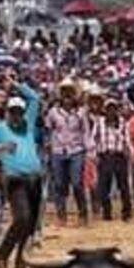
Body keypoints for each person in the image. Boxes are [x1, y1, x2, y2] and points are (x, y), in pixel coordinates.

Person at [0, 78, 43, 268]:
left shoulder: (28, 125)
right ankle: (2, 254)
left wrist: (16, 84)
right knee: (22, 218)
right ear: (7, 112)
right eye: (13, 111)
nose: (17, 115)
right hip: (15, 179)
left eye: (19, 112)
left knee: (30, 223)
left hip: (34, 178)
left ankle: (21, 260)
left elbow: (34, 98)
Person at [45, 78, 89, 226]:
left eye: (70, 93)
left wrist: (89, 151)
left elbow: (85, 132)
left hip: (76, 150)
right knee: (59, 184)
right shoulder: (53, 112)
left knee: (77, 183)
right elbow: (49, 130)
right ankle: (61, 215)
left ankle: (83, 213)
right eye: (64, 93)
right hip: (58, 151)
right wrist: (48, 147)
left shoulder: (81, 113)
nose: (67, 97)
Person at [89, 95, 132, 222]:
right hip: (105, 156)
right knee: (104, 186)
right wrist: (94, 154)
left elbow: (127, 139)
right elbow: (93, 139)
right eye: (109, 108)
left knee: (123, 186)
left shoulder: (122, 123)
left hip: (119, 156)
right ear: (105, 110)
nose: (111, 111)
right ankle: (107, 212)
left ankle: (126, 212)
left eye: (114, 108)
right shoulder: (99, 122)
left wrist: (131, 153)